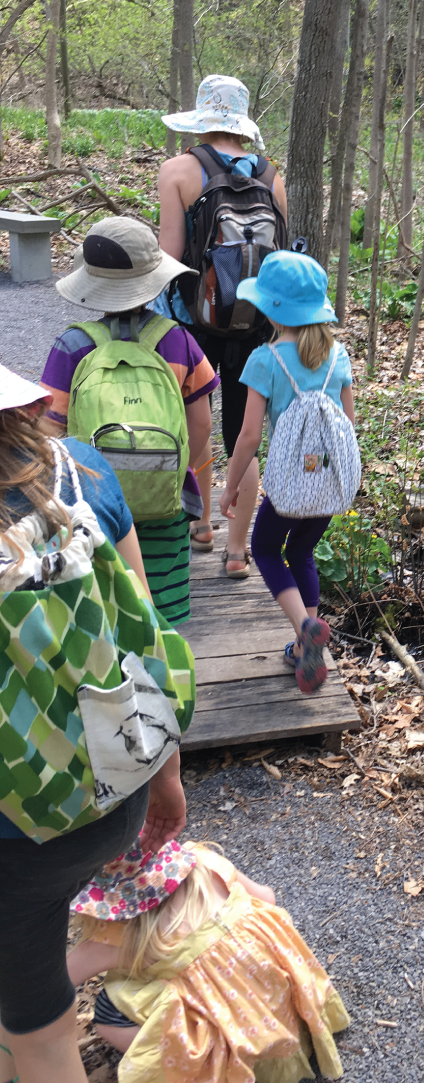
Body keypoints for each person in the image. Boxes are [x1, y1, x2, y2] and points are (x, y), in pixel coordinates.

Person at [0, 367, 189, 1083]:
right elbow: (145, 640)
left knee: (41, 1028)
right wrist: (166, 778)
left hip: (17, 829)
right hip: (114, 784)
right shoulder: (79, 467)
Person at [40, 217, 219, 625]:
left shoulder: (71, 346)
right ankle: (163, 673)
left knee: (103, 609)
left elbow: (49, 433)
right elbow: (204, 427)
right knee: (162, 613)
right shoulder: (179, 340)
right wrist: (171, 471)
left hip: (93, 506)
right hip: (166, 503)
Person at [66, 840, 350, 1081]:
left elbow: (55, 981)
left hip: (228, 1045)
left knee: (108, 1008)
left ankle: (188, 1070)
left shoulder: (118, 935)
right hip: (281, 1012)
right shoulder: (206, 863)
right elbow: (268, 898)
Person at [158, 74, 289, 579]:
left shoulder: (178, 170)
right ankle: (238, 553)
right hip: (254, 324)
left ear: (201, 119)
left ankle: (202, 526)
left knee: (196, 421)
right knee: (242, 434)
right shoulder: (271, 174)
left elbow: (169, 257)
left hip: (196, 321)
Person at [219, 251, 354, 694]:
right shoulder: (339, 357)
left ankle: (305, 628)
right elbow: (348, 426)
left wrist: (232, 485)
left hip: (289, 487)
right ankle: (304, 649)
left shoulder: (265, 359)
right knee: (301, 554)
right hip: (329, 483)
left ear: (271, 308)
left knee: (264, 547)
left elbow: (249, 437)